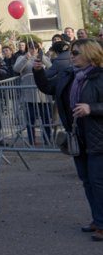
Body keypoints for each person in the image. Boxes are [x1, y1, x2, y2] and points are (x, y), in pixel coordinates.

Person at [34, 38, 103, 240]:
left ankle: (101, 223)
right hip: (77, 137)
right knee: (87, 181)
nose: (71, 56)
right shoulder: (70, 75)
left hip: (98, 137)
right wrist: (38, 71)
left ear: (90, 54)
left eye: (76, 53)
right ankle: (97, 219)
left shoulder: (99, 77)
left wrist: (92, 109)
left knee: (98, 182)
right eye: (71, 53)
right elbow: (48, 88)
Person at [13, 44, 53, 146]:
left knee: (46, 119)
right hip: (29, 94)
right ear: (28, 49)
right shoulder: (21, 57)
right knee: (30, 120)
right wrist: (26, 58)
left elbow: (51, 67)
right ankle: (32, 141)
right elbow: (16, 69)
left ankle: (48, 140)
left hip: (43, 94)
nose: (33, 50)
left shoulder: (44, 57)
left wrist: (42, 57)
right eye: (31, 48)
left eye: (35, 48)